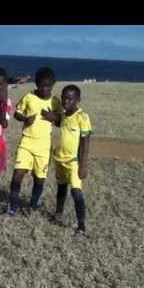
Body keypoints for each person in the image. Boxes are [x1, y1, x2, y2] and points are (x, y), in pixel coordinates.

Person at [8, 67, 62, 216]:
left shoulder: (55, 102)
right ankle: (13, 206)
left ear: (53, 84)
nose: (45, 89)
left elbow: (62, 121)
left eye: (48, 86)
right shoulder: (29, 97)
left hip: (44, 146)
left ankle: (32, 205)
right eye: (42, 85)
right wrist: (25, 118)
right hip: (26, 143)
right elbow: (17, 113)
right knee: (17, 175)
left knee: (39, 179)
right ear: (36, 84)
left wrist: (54, 118)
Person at [52, 85, 92, 240]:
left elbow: (85, 142)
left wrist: (83, 164)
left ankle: (81, 228)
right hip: (59, 159)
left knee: (76, 192)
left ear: (77, 100)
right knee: (61, 188)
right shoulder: (63, 115)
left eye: (69, 98)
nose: (65, 101)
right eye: (63, 97)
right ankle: (58, 214)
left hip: (74, 161)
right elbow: (60, 122)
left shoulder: (82, 117)